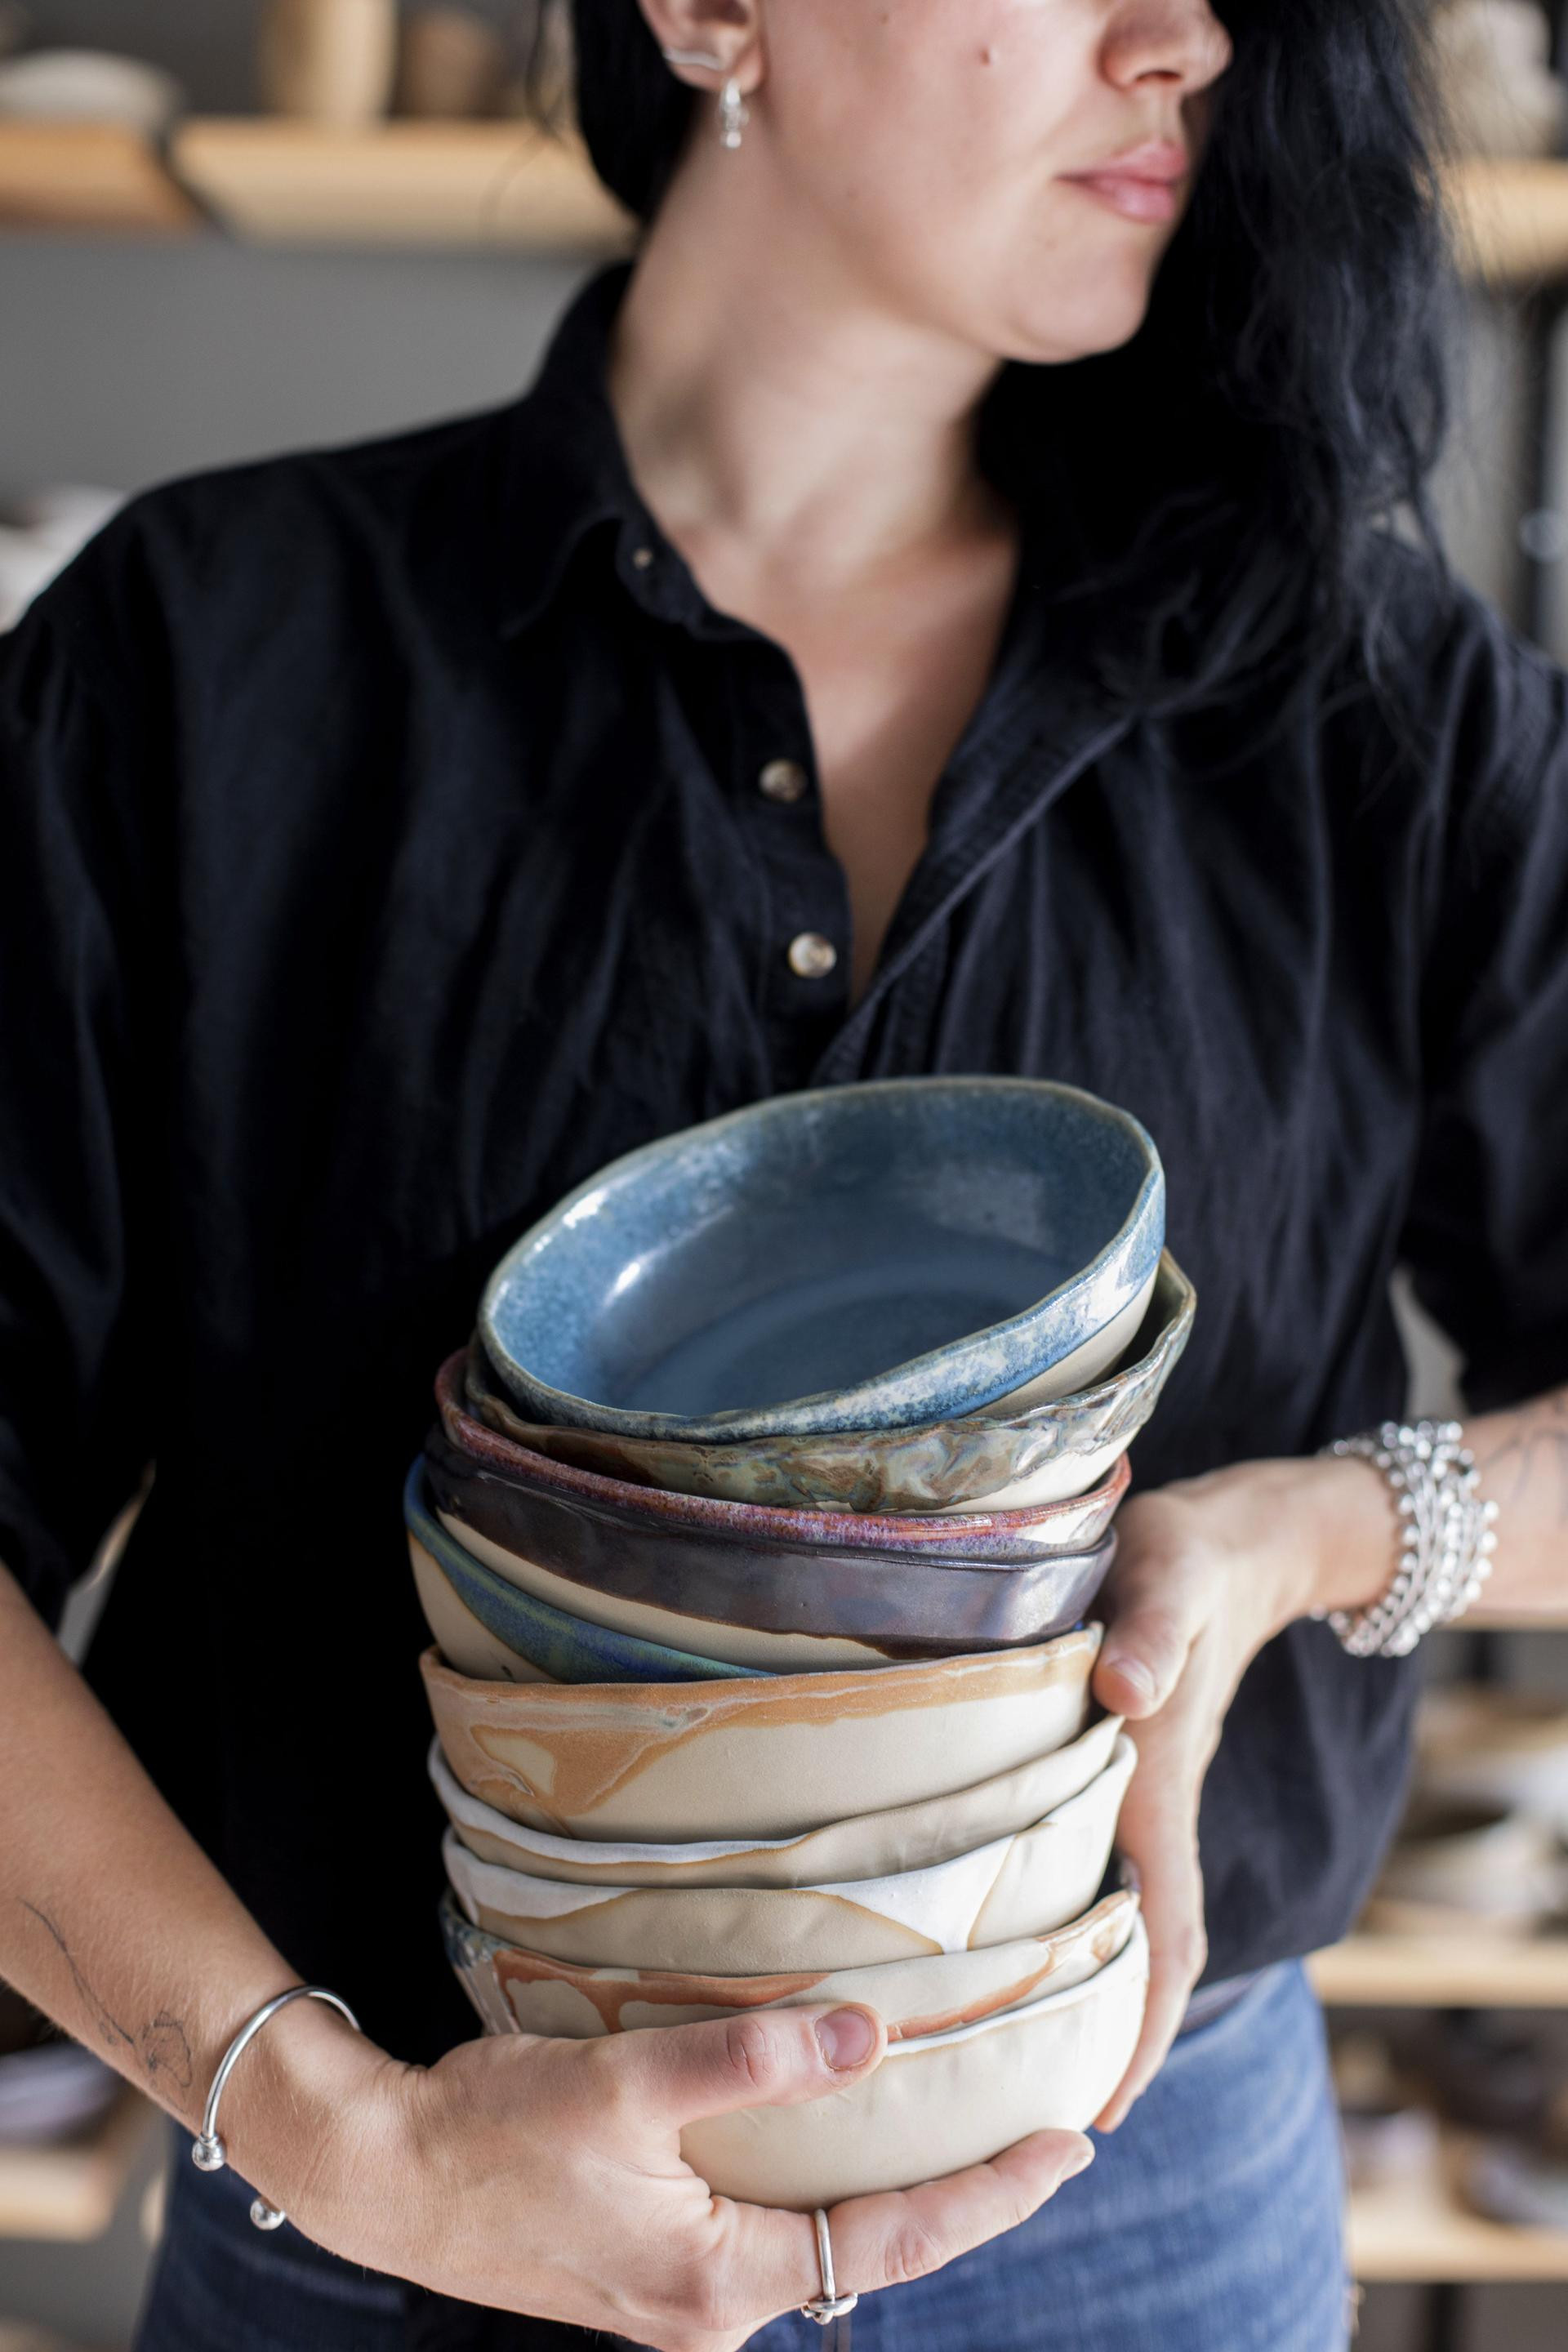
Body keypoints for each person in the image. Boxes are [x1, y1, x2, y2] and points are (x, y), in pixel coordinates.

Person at [2, 0, 1567, 2345]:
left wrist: (1304, 1537)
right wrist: (339, 2137)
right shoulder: (202, 659)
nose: (1185, 40)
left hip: (1139, 2224)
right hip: (396, 2220)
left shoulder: (1361, 698)